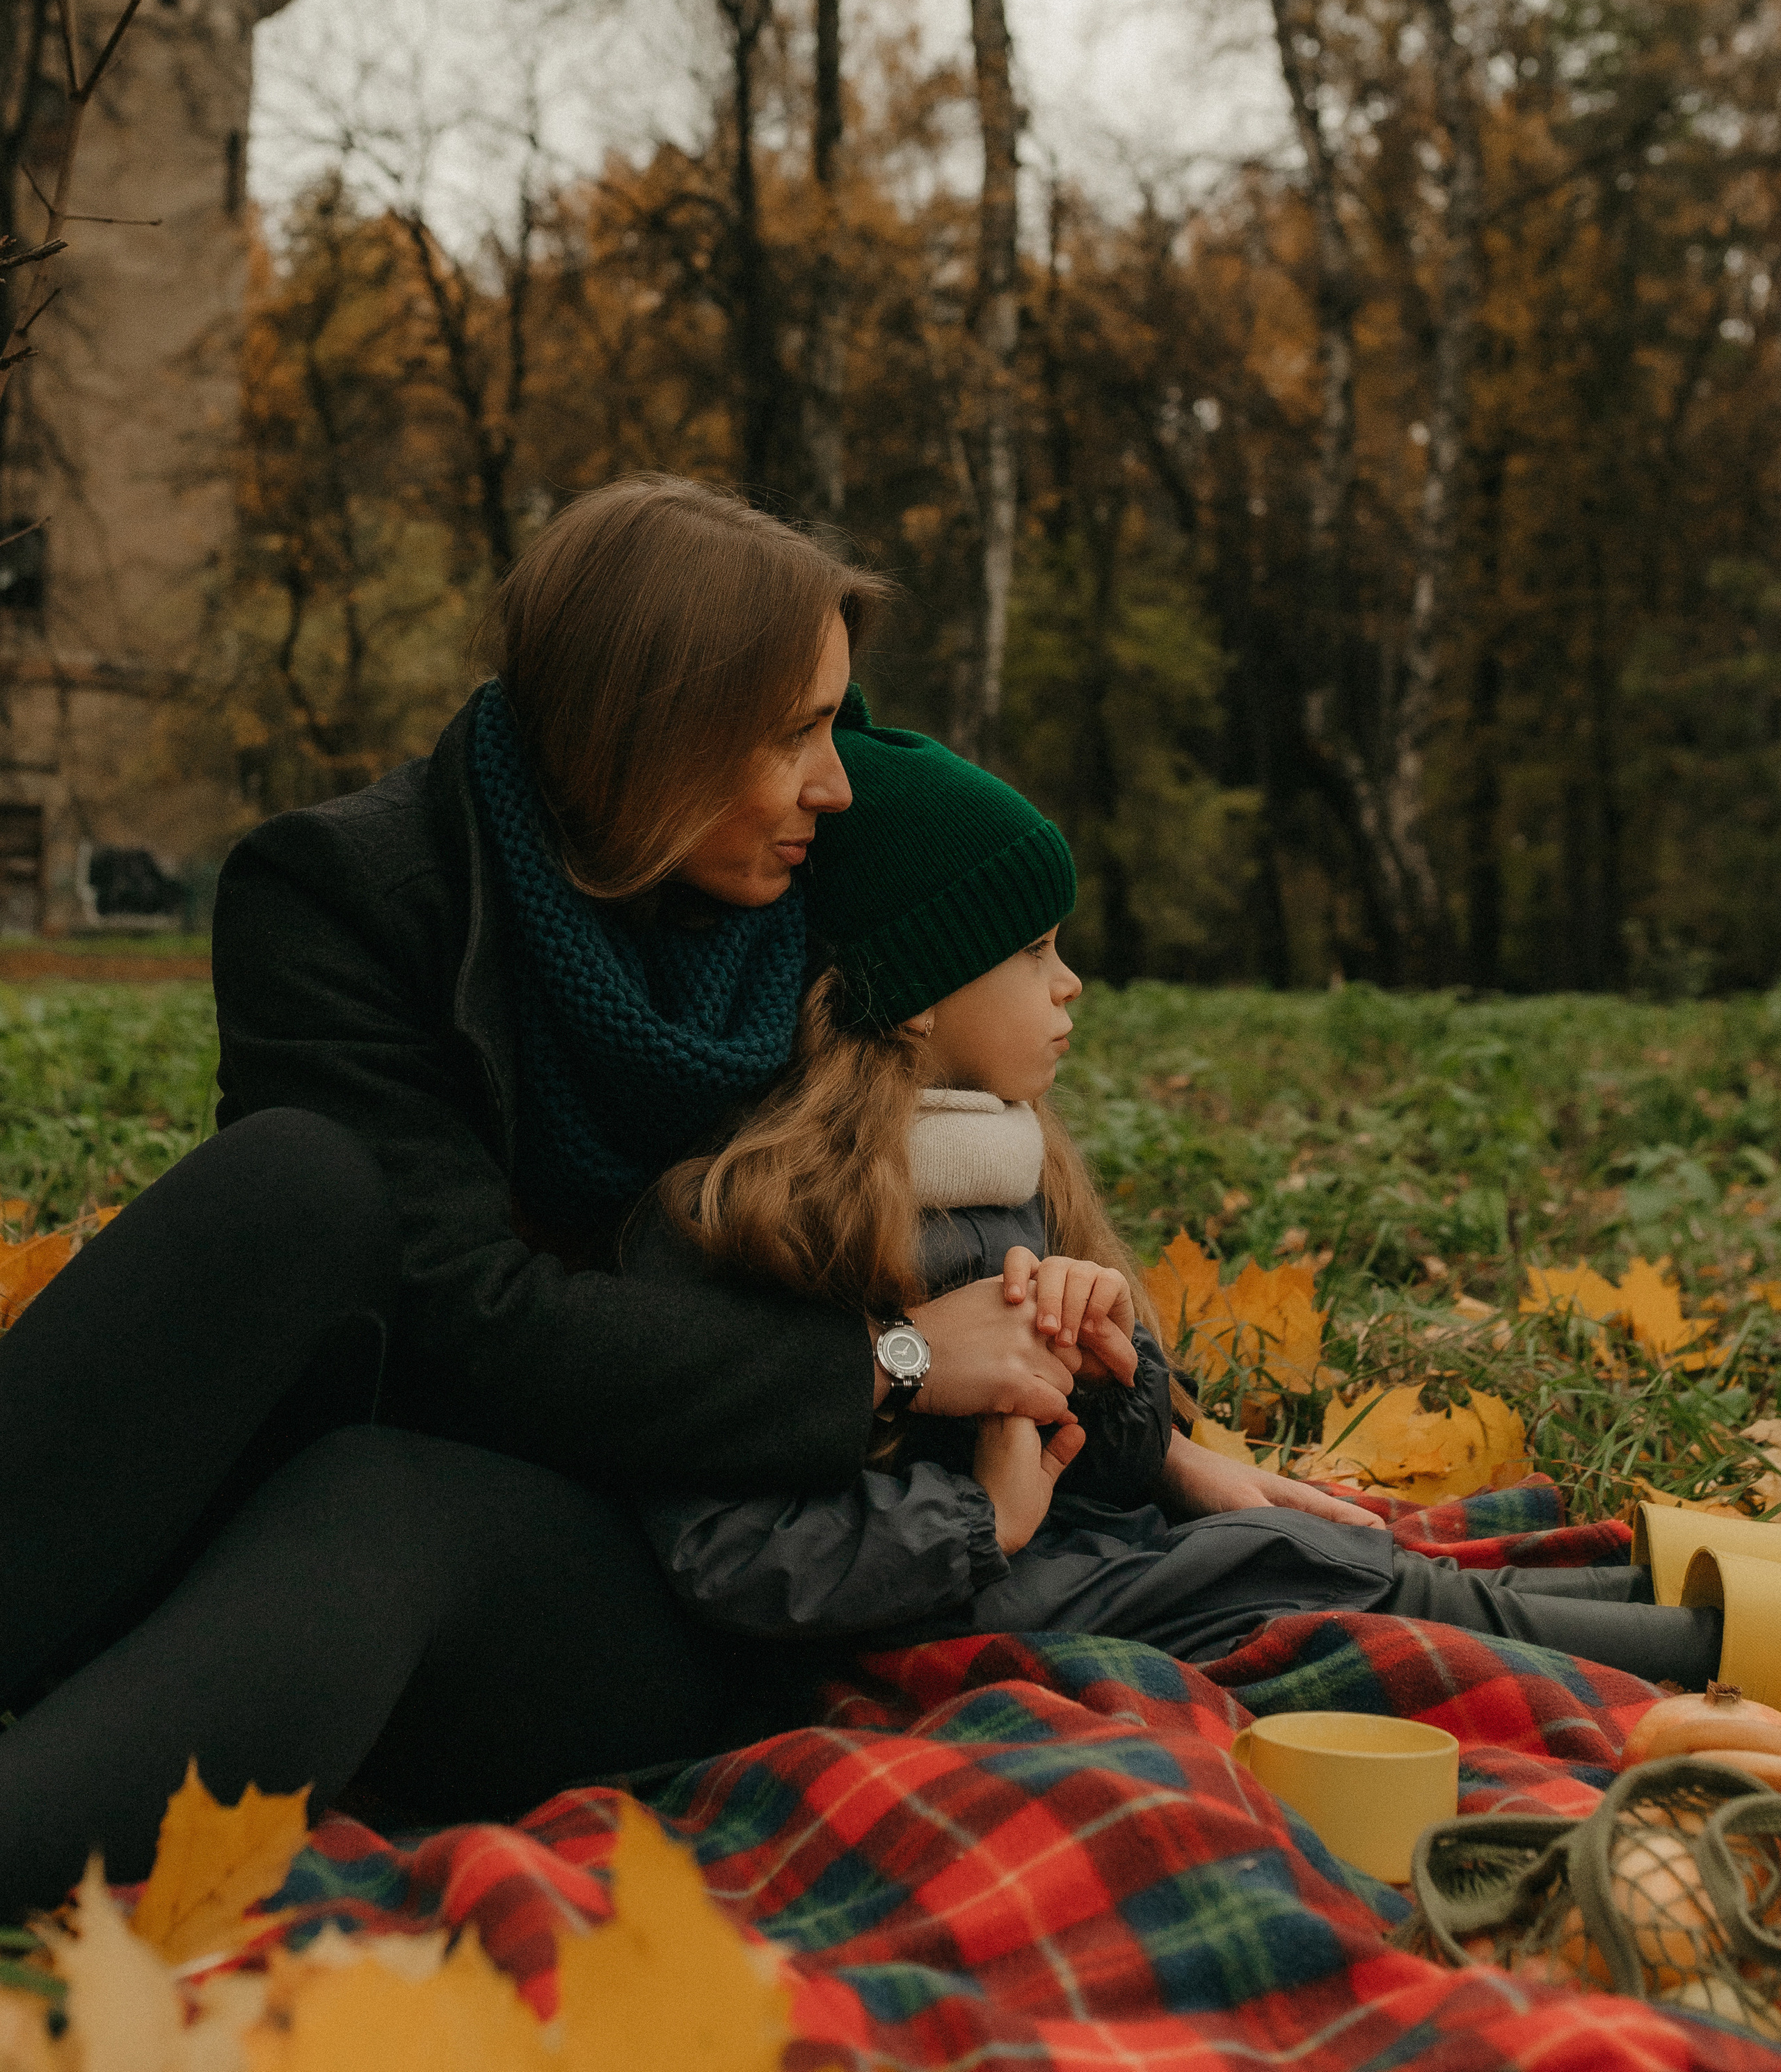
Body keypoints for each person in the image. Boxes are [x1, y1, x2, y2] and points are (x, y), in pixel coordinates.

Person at [0, 479, 1093, 1918]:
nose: (834, 785)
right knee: (291, 1183)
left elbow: (1001, 1156)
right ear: (655, 731)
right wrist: (885, 1361)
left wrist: (1157, 1431)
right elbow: (464, 1321)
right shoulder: (349, 896)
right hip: (423, 1423)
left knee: (381, 1506)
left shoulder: (810, 906)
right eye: (794, 734)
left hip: (678, 1561)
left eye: (836, 726)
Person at [636, 696, 1724, 1688]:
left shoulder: (1002, 1160)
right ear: (917, 993)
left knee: (1328, 1552)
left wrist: (1111, 1368)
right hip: (955, 1615)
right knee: (1296, 1577)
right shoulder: (763, 1214)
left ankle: (1692, 1612)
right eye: (1034, 950)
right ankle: (1704, 1656)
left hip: (1076, 1562)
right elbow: (732, 1551)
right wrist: (978, 1516)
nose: (1069, 983)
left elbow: (1103, 1466)